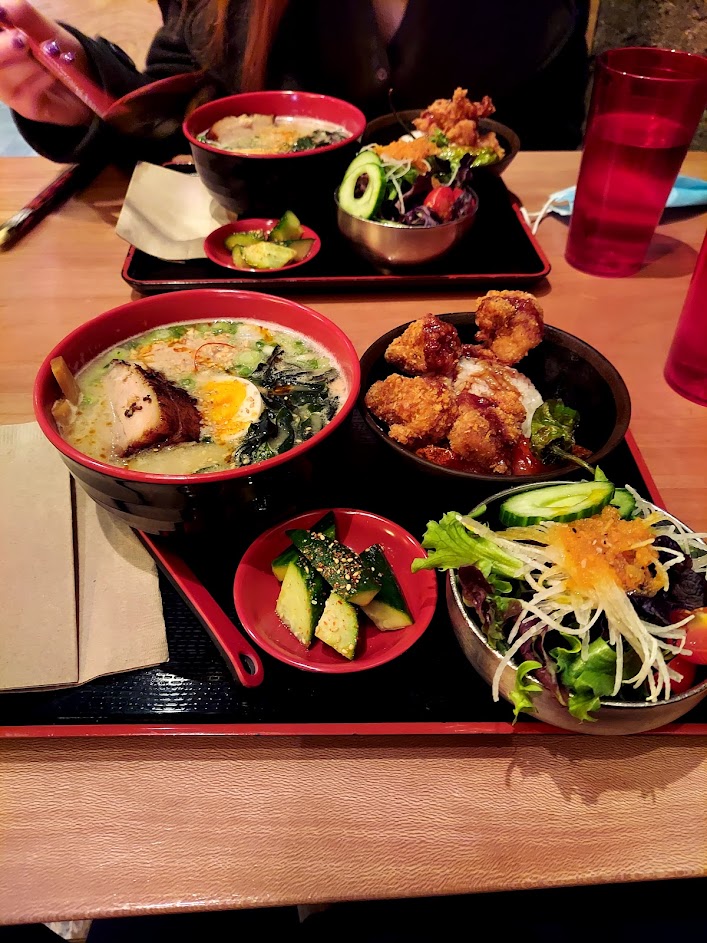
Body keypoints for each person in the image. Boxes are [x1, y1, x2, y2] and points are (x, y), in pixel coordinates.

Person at [0, 0, 590, 166]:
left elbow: (553, 154)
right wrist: (82, 87)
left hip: (472, 286)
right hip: (261, 290)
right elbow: (170, 132)